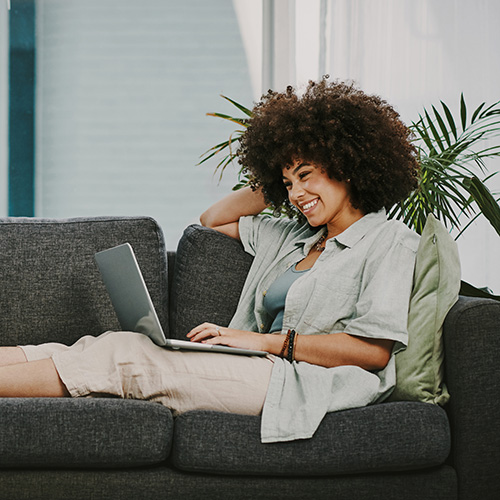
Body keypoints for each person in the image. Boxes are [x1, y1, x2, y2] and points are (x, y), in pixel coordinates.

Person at [0, 79, 420, 443]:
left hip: (297, 384)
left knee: (125, 359)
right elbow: (212, 220)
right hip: (257, 366)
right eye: (288, 182)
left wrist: (265, 342)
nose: (296, 194)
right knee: (98, 344)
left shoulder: (389, 242)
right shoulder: (292, 237)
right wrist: (278, 177)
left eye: (306, 175)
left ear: (346, 164)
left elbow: (372, 353)